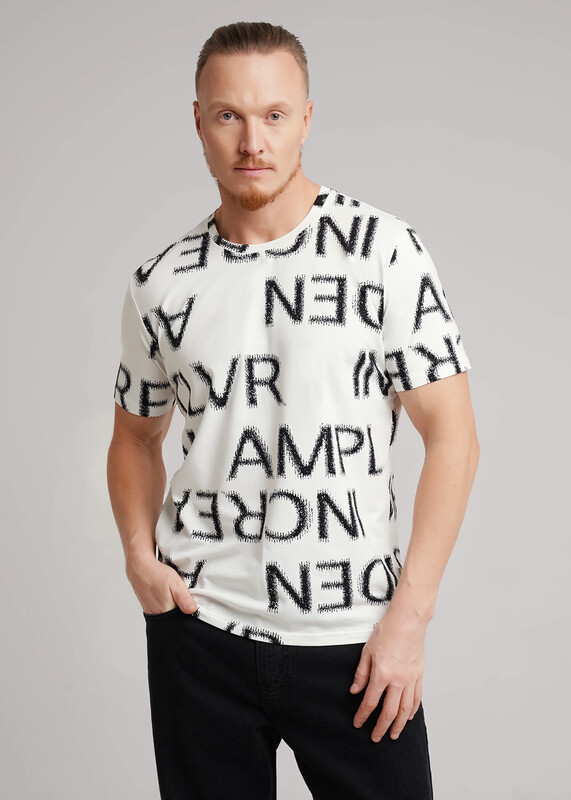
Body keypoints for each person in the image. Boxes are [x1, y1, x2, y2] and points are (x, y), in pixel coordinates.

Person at [107, 20, 479, 800]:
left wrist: (409, 617)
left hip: (356, 642)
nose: (252, 141)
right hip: (199, 634)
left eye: (273, 115)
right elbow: (135, 437)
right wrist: (140, 556)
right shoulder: (160, 282)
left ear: (306, 119)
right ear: (199, 122)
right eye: (229, 116)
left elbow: (451, 435)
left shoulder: (382, 252)